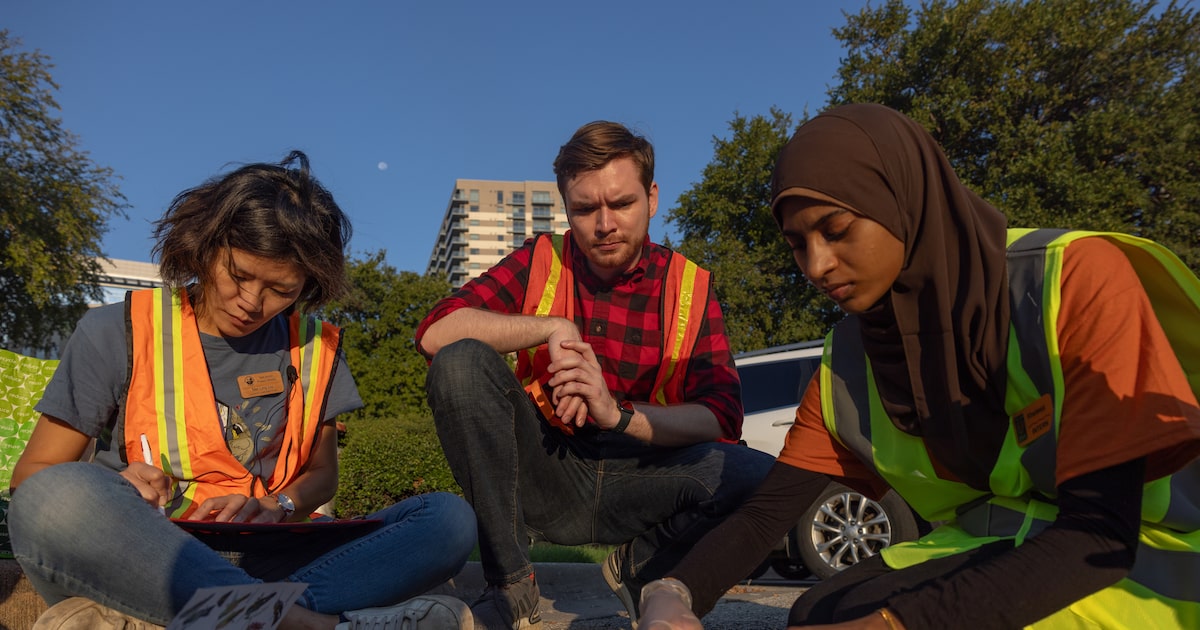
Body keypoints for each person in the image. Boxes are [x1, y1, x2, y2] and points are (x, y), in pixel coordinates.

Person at [638, 103, 1200, 629]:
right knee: (817, 610)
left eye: (836, 230)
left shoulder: (1073, 279)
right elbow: (766, 515)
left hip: (1138, 556)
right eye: (797, 244)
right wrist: (672, 591)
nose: (816, 265)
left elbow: (1098, 537)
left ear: (902, 202)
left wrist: (896, 623)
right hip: (1000, 541)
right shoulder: (851, 357)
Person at [8, 151, 478, 630]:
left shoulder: (317, 349)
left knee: (447, 520)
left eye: (281, 290)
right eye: (238, 275)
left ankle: (183, 618)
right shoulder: (117, 331)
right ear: (204, 246)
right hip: (146, 551)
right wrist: (119, 488)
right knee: (53, 498)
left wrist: (280, 505)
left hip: (273, 552)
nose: (251, 302)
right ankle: (311, 624)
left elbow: (322, 476)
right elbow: (32, 478)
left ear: (308, 285)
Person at [416, 121, 775, 629]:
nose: (604, 225)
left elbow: (721, 418)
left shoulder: (690, 285)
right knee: (459, 363)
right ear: (567, 208)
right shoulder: (542, 258)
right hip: (549, 470)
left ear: (652, 198)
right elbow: (436, 332)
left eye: (622, 204)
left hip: (645, 475)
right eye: (585, 209)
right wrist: (550, 326)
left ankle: (642, 570)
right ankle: (512, 585)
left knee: (762, 477)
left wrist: (617, 414)